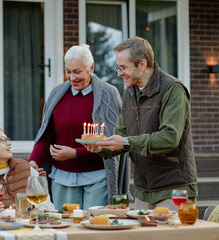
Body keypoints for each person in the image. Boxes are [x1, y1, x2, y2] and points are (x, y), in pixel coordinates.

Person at [85, 36, 198, 211]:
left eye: (123, 68)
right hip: (143, 192)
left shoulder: (173, 89)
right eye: (117, 67)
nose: (118, 73)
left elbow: (169, 138)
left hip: (174, 190)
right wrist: (102, 148)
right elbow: (122, 137)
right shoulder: (129, 93)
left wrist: (125, 142)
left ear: (142, 64)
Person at [28, 44, 130, 210]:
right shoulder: (57, 94)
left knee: (93, 231)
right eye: (68, 71)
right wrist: (33, 161)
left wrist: (74, 154)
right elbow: (46, 135)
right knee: (67, 230)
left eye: (77, 71)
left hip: (97, 179)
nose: (72, 77)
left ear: (91, 68)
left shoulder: (109, 94)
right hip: (61, 178)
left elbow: (112, 142)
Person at [0, 127, 55, 211]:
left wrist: (28, 210)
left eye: (7, 140)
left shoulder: (25, 167)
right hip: (1, 226)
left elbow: (48, 207)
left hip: (31, 224)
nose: (9, 143)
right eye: (2, 140)